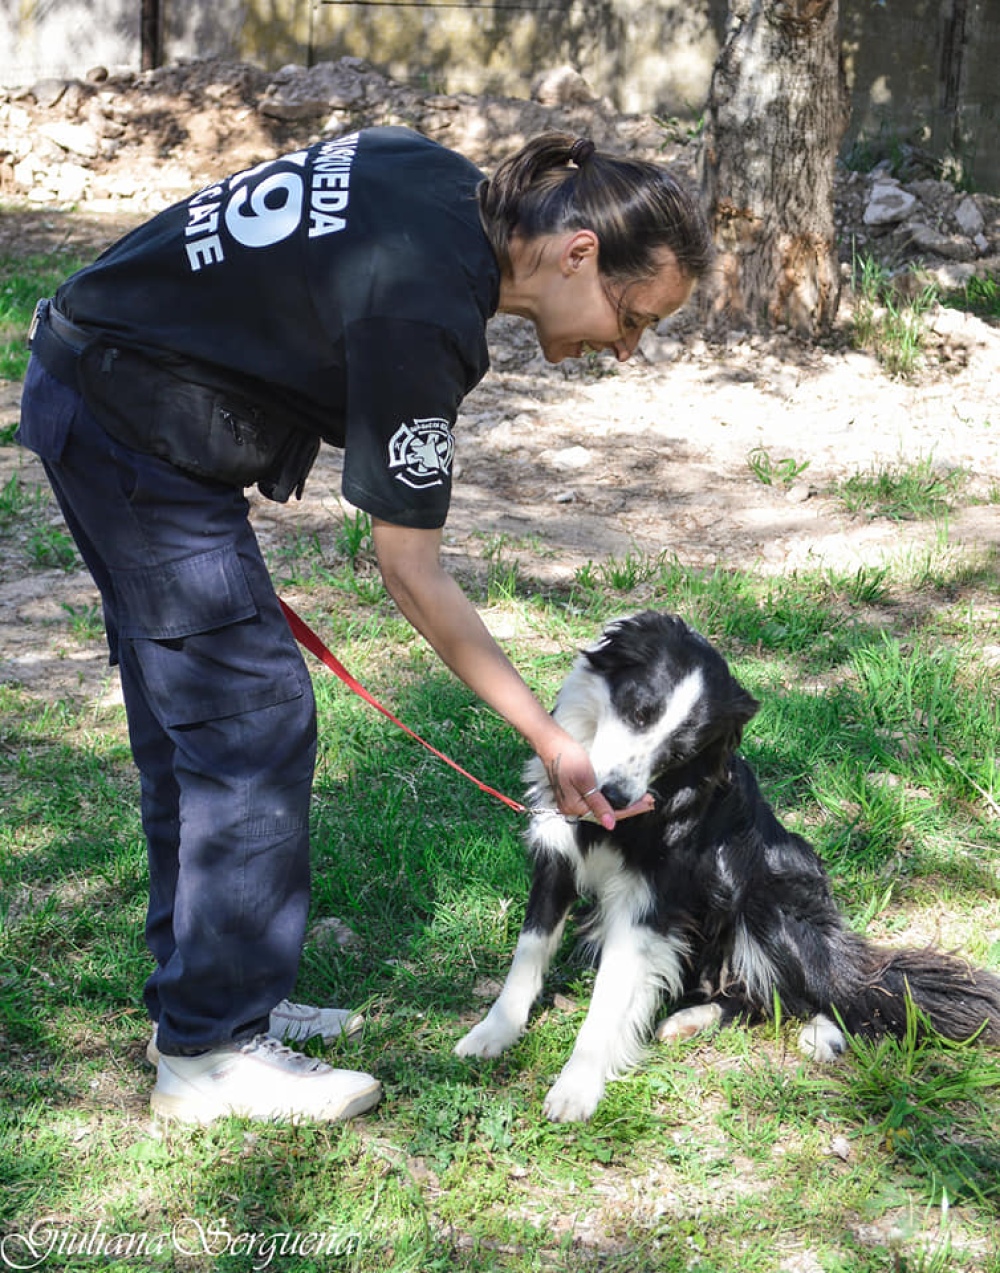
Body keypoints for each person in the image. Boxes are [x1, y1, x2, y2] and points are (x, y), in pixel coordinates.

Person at [17, 127, 712, 1125]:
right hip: (127, 421)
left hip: (94, 376)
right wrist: (550, 736)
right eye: (632, 316)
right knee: (247, 717)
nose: (625, 345)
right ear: (579, 252)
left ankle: (207, 995)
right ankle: (210, 1052)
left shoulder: (424, 172)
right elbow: (410, 569)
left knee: (193, 714)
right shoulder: (425, 309)